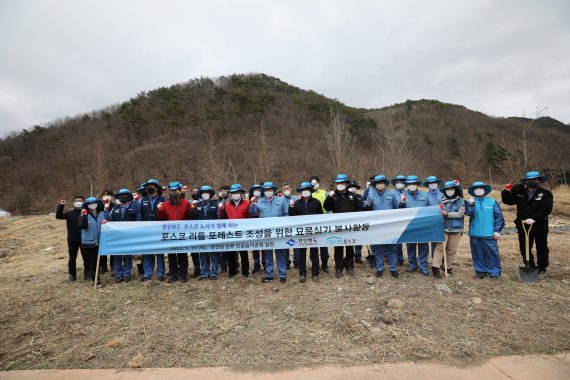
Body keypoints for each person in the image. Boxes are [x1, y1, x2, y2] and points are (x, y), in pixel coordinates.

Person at [501, 171, 553, 278]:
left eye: (535, 180)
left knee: (541, 247)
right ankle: (530, 266)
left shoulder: (546, 193)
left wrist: (534, 218)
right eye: (530, 180)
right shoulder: (520, 192)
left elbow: (546, 209)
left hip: (539, 225)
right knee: (524, 247)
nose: (533, 182)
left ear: (539, 181)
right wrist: (506, 191)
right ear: (526, 181)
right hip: (523, 225)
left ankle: (542, 268)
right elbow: (508, 201)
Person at [250, 181, 289, 283]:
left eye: (270, 190)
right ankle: (269, 274)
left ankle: (282, 274)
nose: (268, 191)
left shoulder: (281, 200)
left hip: (278, 231)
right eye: (266, 190)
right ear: (264, 191)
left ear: (273, 190)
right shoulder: (259, 201)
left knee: (280, 253)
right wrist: (253, 204)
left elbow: (286, 214)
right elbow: (253, 213)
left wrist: (286, 228)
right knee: (267, 253)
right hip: (266, 232)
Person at [324, 174, 362, 278]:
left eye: (342, 183)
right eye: (338, 183)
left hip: (350, 227)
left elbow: (358, 208)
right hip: (338, 227)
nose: (340, 185)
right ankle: (338, 268)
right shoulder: (333, 195)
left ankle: (350, 266)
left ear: (346, 184)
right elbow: (326, 207)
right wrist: (329, 197)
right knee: (338, 248)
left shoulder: (352, 195)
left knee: (350, 247)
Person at [363, 175, 402, 278]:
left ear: (385, 183)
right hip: (376, 226)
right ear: (375, 184)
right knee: (378, 249)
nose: (380, 184)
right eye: (378, 183)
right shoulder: (371, 194)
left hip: (389, 226)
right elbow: (367, 209)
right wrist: (368, 205)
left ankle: (393, 268)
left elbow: (395, 208)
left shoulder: (391, 194)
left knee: (391, 248)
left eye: (382, 182)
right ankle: (379, 269)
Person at [466, 182, 505, 279]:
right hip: (475, 233)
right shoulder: (470, 202)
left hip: (489, 233)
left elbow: (499, 217)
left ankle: (494, 273)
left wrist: (497, 230)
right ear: (473, 191)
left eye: (480, 188)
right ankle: (481, 271)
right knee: (477, 253)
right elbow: (469, 214)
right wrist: (471, 205)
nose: (478, 190)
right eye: (476, 188)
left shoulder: (492, 202)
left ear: (484, 189)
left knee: (492, 253)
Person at [157, 182, 193, 282]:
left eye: (175, 191)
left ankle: (183, 274)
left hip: (182, 233)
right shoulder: (165, 204)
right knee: (171, 255)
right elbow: (161, 219)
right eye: (171, 191)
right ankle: (173, 275)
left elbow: (190, 218)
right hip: (170, 234)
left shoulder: (186, 203)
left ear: (180, 191)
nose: (173, 192)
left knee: (182, 254)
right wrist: (159, 210)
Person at [401, 175, 436, 276]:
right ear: (407, 185)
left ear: (417, 185)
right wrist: (401, 203)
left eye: (414, 184)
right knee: (410, 245)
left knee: (423, 245)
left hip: (423, 225)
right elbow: (398, 210)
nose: (412, 185)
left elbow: (432, 207)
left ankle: (423, 265)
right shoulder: (403, 195)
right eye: (410, 184)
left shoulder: (425, 195)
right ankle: (412, 264)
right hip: (409, 225)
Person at [289, 182, 323, 282]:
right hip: (301, 233)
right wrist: (291, 207)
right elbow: (292, 217)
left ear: (311, 190)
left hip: (313, 232)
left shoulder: (316, 202)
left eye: (307, 189)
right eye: (303, 189)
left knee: (315, 253)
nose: (305, 191)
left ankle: (315, 273)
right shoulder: (297, 203)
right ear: (301, 191)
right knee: (302, 253)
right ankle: (302, 273)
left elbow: (321, 217)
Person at [432, 181, 465, 279]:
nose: (449, 191)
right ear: (445, 191)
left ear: (455, 190)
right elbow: (437, 212)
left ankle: (448, 267)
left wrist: (447, 214)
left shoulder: (461, 201)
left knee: (451, 249)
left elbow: (460, 214)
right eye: (447, 189)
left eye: (451, 189)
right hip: (443, 227)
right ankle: (435, 267)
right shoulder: (440, 200)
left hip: (456, 229)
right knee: (439, 247)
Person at [137, 179, 166, 282]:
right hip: (146, 230)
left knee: (159, 252)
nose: (149, 188)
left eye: (152, 186)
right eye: (148, 186)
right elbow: (138, 214)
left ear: (156, 188)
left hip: (159, 230)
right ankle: (147, 274)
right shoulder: (142, 200)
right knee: (147, 252)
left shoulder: (163, 199)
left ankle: (160, 273)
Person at [105, 189, 137, 283]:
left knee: (128, 256)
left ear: (128, 196)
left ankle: (127, 274)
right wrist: (106, 210)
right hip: (117, 236)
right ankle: (118, 274)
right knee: (117, 256)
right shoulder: (115, 208)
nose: (122, 197)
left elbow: (138, 220)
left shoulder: (133, 207)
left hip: (129, 237)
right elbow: (109, 219)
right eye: (120, 195)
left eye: (125, 195)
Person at [220, 184, 251, 278]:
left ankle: (245, 272)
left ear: (241, 193)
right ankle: (232, 272)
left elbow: (250, 217)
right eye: (233, 193)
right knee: (231, 253)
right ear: (230, 194)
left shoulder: (247, 203)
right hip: (231, 232)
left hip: (243, 232)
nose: (235, 194)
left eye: (237, 192)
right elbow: (223, 218)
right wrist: (221, 210)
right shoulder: (227, 205)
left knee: (243, 252)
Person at [192, 185, 221, 281]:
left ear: (210, 194)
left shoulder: (216, 204)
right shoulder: (197, 205)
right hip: (201, 232)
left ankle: (214, 273)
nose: (205, 194)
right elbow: (193, 218)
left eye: (207, 193)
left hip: (212, 232)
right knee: (203, 252)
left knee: (213, 252)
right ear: (201, 194)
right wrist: (192, 208)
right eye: (203, 193)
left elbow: (219, 218)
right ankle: (204, 273)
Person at [56, 195, 87, 281]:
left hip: (85, 239)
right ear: (73, 203)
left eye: (80, 201)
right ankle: (72, 275)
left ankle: (87, 273)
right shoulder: (69, 213)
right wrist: (61, 206)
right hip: (72, 240)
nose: (78, 202)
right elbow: (58, 216)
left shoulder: (86, 212)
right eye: (76, 201)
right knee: (72, 258)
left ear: (83, 202)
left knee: (86, 258)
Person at [78, 197, 104, 285]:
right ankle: (95, 280)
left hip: (100, 241)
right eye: (89, 204)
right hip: (88, 242)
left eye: (94, 203)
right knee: (92, 262)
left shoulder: (101, 214)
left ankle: (98, 277)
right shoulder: (84, 214)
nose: (92, 205)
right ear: (87, 205)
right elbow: (82, 226)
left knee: (98, 261)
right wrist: (84, 216)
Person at [309, 175, 330, 273]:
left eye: (316, 182)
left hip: (323, 223)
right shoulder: (308, 194)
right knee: (313, 245)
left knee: (324, 245)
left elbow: (329, 207)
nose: (315, 184)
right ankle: (315, 264)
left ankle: (325, 264)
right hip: (311, 224)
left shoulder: (324, 193)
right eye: (313, 183)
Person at [424, 176, 443, 258]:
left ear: (437, 183)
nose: (432, 184)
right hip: (431, 222)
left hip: (442, 221)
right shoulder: (425, 195)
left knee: (441, 243)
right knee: (433, 242)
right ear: (428, 185)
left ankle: (442, 262)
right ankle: (434, 262)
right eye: (430, 183)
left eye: (434, 183)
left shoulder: (443, 194)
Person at [281, 183, 299, 269]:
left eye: (287, 188)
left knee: (296, 244)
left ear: (291, 189)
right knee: (286, 245)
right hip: (285, 224)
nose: (286, 190)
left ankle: (297, 262)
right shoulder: (280, 200)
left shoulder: (296, 198)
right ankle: (286, 263)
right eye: (284, 189)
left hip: (295, 223)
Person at [391, 175, 407, 266]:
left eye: (401, 182)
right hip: (396, 219)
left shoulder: (408, 192)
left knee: (410, 241)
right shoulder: (392, 194)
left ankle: (413, 260)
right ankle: (399, 258)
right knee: (397, 241)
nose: (399, 184)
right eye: (397, 182)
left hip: (407, 218)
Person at [348, 180, 365, 265]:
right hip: (349, 221)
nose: (352, 188)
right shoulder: (346, 197)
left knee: (359, 240)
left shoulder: (360, 197)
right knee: (350, 240)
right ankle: (350, 257)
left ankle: (358, 256)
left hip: (359, 221)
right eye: (351, 187)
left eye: (354, 187)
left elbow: (362, 207)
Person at [249, 183, 264, 273]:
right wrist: (253, 204)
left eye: (258, 190)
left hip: (263, 226)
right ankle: (256, 264)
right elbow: (252, 213)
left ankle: (265, 264)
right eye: (255, 190)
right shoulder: (250, 201)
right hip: (254, 226)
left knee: (265, 246)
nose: (257, 191)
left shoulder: (263, 200)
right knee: (255, 247)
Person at [99, 189, 114, 273]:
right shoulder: (99, 206)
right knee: (102, 246)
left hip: (112, 229)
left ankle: (113, 265)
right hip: (102, 229)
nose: (106, 196)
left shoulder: (115, 206)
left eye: (108, 195)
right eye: (104, 195)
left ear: (112, 197)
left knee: (113, 247)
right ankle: (103, 266)